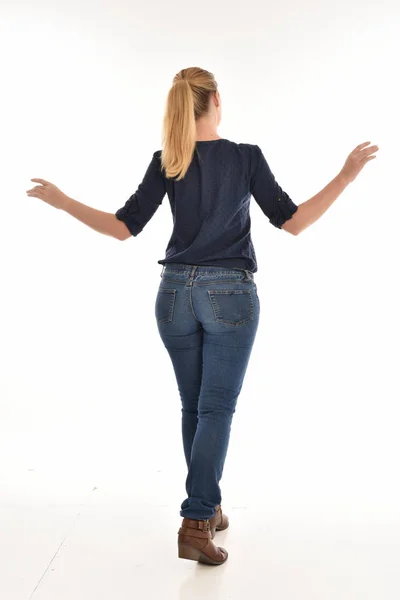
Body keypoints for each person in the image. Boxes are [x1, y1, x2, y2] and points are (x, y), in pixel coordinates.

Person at [26, 66, 379, 567]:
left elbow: (123, 228)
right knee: (215, 409)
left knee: (195, 406)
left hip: (172, 296)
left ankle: (208, 503)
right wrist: (346, 176)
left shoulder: (168, 160)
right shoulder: (243, 157)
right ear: (215, 99)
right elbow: (293, 222)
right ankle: (195, 522)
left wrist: (62, 202)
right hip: (228, 294)